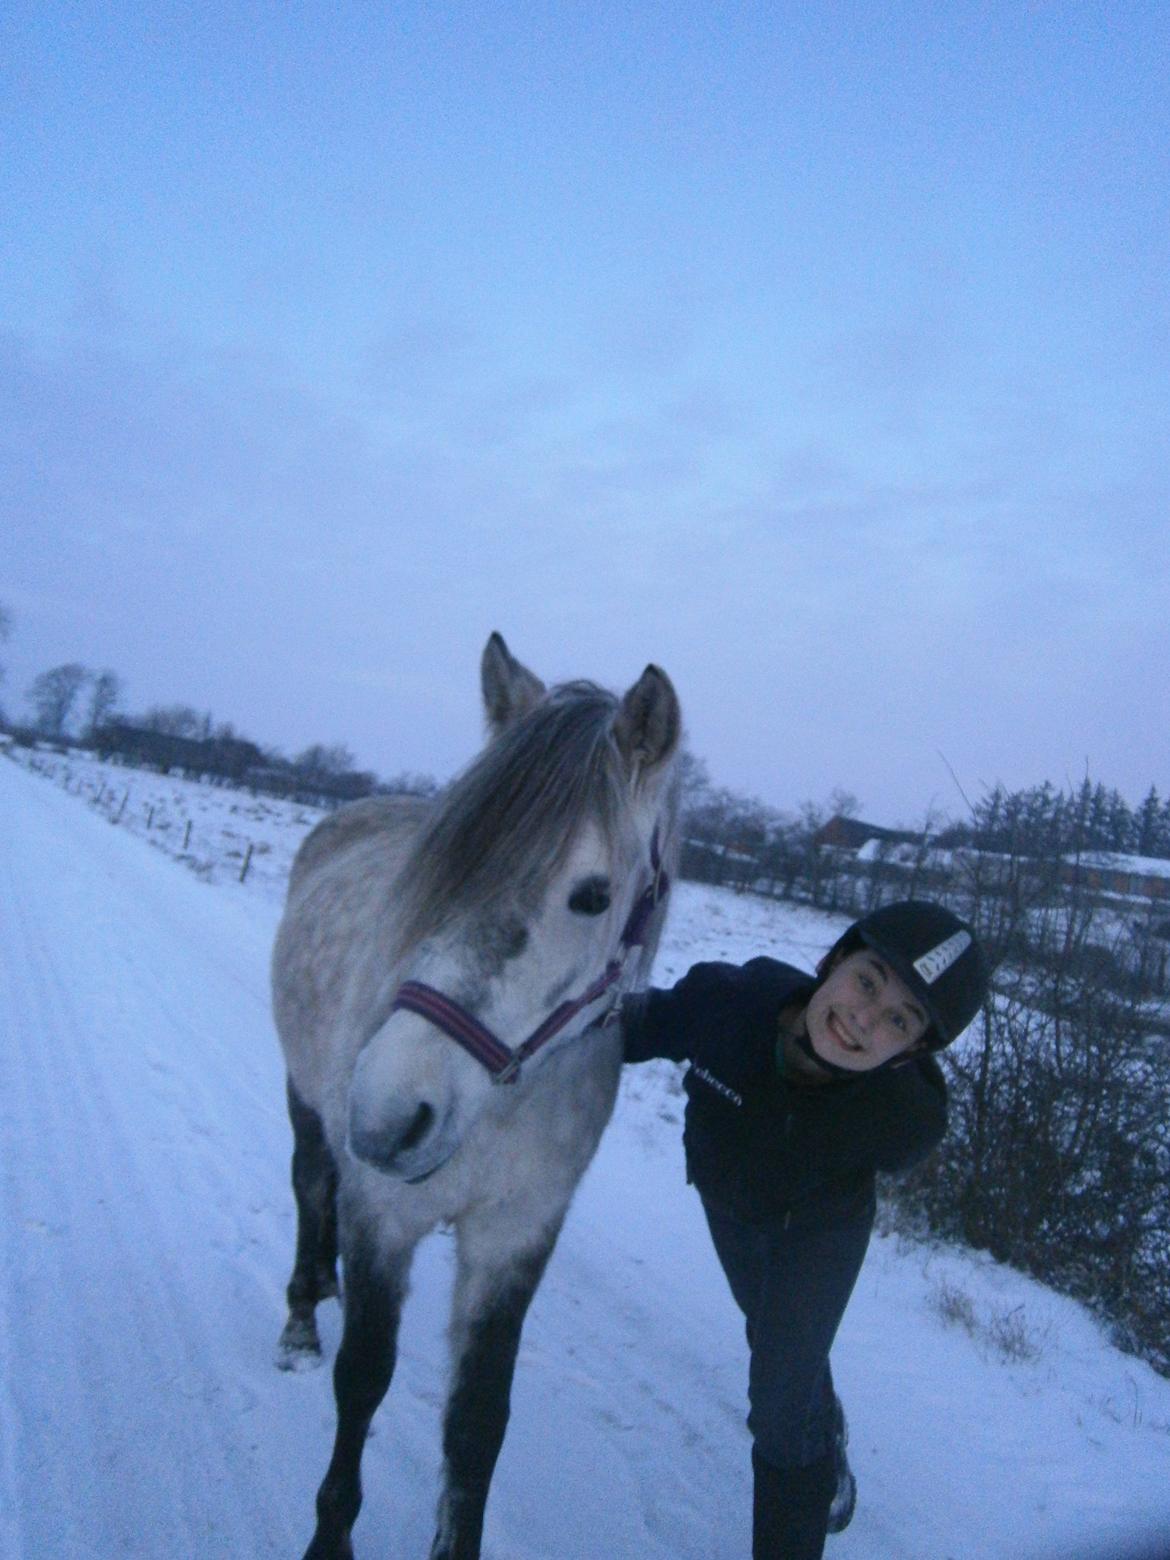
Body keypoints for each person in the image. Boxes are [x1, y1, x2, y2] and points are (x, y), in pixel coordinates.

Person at [621, 899, 989, 1559]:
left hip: (820, 1230)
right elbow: (625, 1028)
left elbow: (896, 1154)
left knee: (780, 1401)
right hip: (726, 1195)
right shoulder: (729, 1005)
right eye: (868, 981)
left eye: (900, 1020)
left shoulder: (902, 1119)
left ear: (910, 1053)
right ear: (834, 961)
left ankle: (815, 1458)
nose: (863, 1017)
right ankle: (820, 1415)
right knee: (767, 1330)